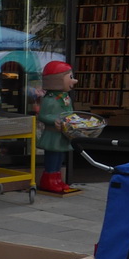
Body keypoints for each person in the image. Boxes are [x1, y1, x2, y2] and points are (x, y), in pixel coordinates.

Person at [34, 60, 80, 193]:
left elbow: (69, 112)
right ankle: (49, 179)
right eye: (70, 77)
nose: (74, 81)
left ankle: (57, 179)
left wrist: (74, 120)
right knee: (52, 156)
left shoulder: (66, 98)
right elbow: (43, 115)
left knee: (60, 156)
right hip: (52, 134)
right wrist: (54, 120)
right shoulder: (48, 99)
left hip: (63, 134)